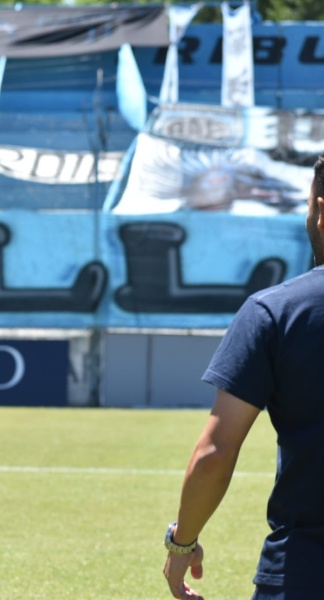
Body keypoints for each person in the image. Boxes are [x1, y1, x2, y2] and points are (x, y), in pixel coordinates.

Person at [163, 153, 324, 600]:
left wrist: (182, 542)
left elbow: (216, 451)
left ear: (322, 212)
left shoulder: (276, 312)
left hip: (306, 571)